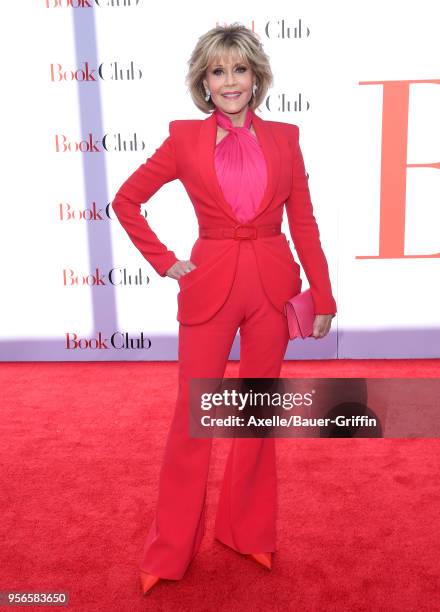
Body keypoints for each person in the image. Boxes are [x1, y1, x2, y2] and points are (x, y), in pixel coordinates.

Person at [111, 23, 337, 596]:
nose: (230, 81)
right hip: (208, 285)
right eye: (218, 71)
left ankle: (246, 531)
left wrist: (324, 294)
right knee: (195, 419)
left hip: (272, 287)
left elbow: (304, 223)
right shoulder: (184, 138)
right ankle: (170, 550)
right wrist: (166, 262)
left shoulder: (286, 137)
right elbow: (126, 199)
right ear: (203, 82)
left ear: (256, 78)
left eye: (240, 69)